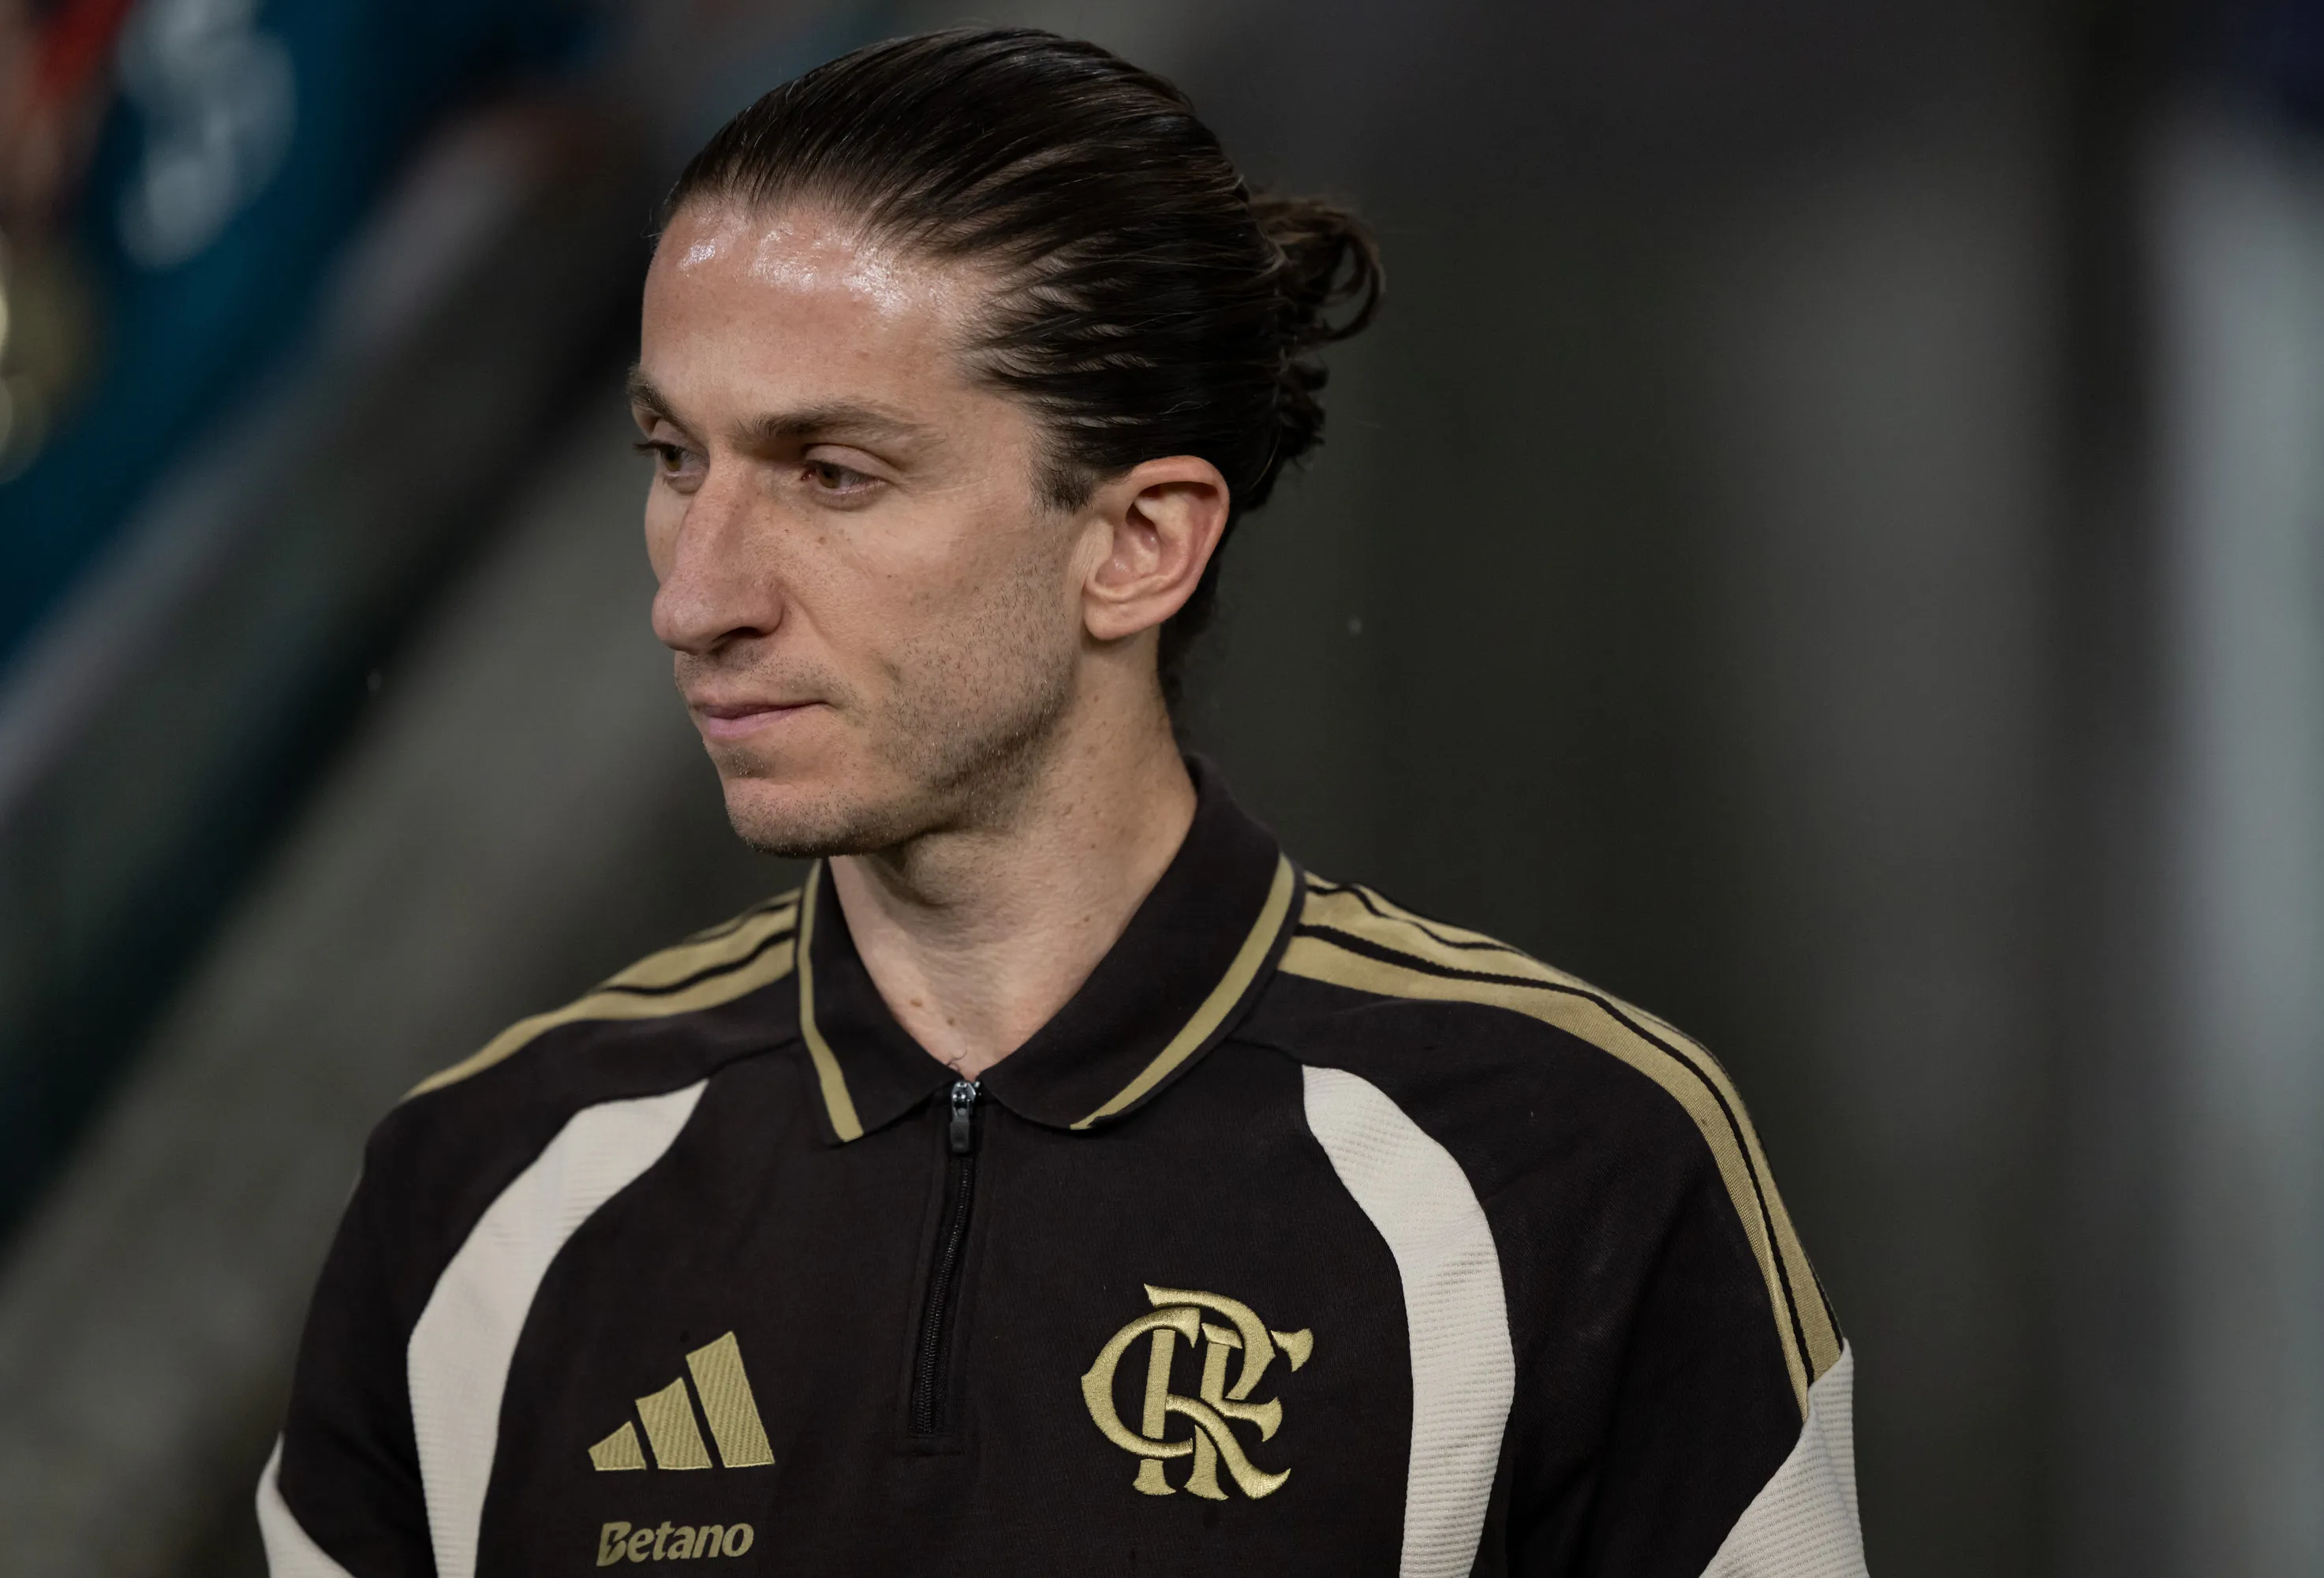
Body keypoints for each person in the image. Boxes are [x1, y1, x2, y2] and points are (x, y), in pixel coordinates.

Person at [258, 28, 1865, 1577]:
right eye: (675, 458)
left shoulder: (1573, 1165)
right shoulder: (485, 1187)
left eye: (832, 472)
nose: (698, 595)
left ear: (1140, 542)